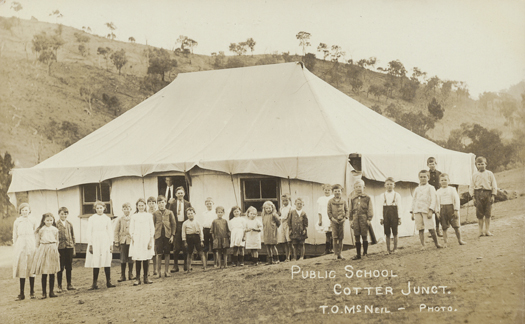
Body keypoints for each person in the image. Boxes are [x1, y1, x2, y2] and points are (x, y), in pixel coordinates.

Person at [85, 201, 116, 290]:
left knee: (107, 260)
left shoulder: (107, 218)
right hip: (95, 240)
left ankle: (108, 282)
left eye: (101, 208)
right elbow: (88, 232)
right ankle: (94, 283)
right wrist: (90, 244)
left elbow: (110, 232)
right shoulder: (92, 218)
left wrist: (111, 244)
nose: (99, 210)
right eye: (97, 208)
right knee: (96, 260)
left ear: (104, 208)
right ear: (95, 209)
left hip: (105, 240)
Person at [31, 213, 60, 299]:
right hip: (43, 248)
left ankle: (51, 291)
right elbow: (37, 242)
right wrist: (38, 251)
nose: (49, 222)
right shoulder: (41, 230)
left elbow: (57, 241)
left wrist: (55, 249)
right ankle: (44, 292)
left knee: (52, 271)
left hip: (52, 249)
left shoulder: (55, 230)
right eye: (47, 220)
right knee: (44, 271)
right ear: (44, 221)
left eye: (51, 220)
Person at [410, 170, 442, 249]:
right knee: (420, 228)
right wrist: (412, 212)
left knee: (431, 228)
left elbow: (433, 199)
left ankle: (437, 243)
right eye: (421, 177)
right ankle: (423, 245)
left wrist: (431, 210)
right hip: (417, 210)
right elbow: (414, 200)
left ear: (428, 178)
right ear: (419, 178)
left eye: (425, 177)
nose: (423, 178)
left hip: (426, 210)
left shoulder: (431, 188)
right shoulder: (417, 189)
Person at [13, 203, 36, 301]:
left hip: (30, 243)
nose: (24, 212)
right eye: (22, 210)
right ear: (20, 211)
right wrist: (16, 245)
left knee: (31, 267)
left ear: (29, 211)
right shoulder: (17, 221)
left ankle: (32, 292)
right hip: (21, 243)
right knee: (22, 267)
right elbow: (14, 235)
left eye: (26, 210)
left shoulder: (33, 220)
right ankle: (22, 293)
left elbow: (35, 231)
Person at [469, 156, 498, 237]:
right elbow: (471, 186)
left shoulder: (490, 173)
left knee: (488, 213)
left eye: (482, 164)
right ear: (476, 165)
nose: (481, 166)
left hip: (488, 194)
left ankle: (487, 230)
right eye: (479, 164)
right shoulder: (474, 175)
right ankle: (480, 231)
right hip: (478, 194)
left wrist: (493, 195)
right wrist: (473, 197)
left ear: (486, 164)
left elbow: (494, 185)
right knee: (479, 214)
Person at [436, 174, 466, 247]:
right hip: (442, 209)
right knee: (444, 227)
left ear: (448, 181)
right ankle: (445, 242)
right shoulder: (438, 191)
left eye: (445, 180)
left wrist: (456, 210)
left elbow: (456, 200)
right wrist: (437, 211)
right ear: (440, 181)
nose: (444, 182)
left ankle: (460, 240)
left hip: (451, 208)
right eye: (442, 180)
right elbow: (436, 202)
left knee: (456, 226)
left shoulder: (452, 189)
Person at [130, 198, 155, 285]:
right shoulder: (134, 216)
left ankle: (146, 278)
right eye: (139, 205)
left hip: (146, 239)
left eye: (142, 205)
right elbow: (131, 229)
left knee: (146, 258)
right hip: (137, 240)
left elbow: (152, 228)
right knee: (138, 258)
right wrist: (133, 238)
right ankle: (137, 278)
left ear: (145, 206)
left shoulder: (149, 216)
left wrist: (150, 240)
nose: (141, 207)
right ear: (137, 206)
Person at [169, 186, 192, 273]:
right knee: (176, 247)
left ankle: (186, 264)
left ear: (184, 194)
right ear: (175, 194)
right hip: (176, 226)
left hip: (185, 225)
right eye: (178, 193)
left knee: (185, 245)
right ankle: (175, 266)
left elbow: (191, 213)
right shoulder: (173, 204)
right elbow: (170, 215)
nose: (180, 195)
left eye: (181, 193)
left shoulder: (187, 203)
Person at [152, 195, 176, 278]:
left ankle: (166, 271)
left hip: (167, 235)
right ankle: (158, 272)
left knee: (167, 253)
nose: (161, 204)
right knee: (159, 254)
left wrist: (172, 235)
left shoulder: (170, 213)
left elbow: (173, 224)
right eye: (159, 203)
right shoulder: (155, 213)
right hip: (158, 235)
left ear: (165, 203)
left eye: (162, 202)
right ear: (157, 204)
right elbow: (152, 225)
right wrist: (153, 235)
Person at [350, 180, 374, 260]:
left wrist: (369, 219)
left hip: (364, 218)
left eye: (360, 187)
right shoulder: (352, 198)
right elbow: (350, 210)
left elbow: (370, 209)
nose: (358, 189)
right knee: (356, 235)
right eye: (356, 187)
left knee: (364, 235)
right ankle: (358, 254)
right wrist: (351, 220)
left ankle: (365, 253)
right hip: (355, 218)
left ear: (363, 187)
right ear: (354, 188)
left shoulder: (367, 198)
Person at [379, 178, 402, 254]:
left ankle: (395, 248)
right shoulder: (382, 195)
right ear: (385, 185)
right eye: (388, 184)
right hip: (386, 215)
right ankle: (388, 249)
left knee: (395, 232)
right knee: (387, 233)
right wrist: (381, 218)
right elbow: (380, 207)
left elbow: (399, 207)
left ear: (394, 185)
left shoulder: (397, 195)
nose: (389, 186)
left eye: (391, 184)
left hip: (394, 215)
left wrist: (399, 217)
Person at [56, 207, 76, 292]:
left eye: (65, 214)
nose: (64, 215)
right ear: (59, 214)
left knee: (69, 266)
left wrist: (73, 247)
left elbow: (72, 236)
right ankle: (59, 286)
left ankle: (69, 284)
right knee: (60, 267)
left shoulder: (69, 224)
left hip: (69, 247)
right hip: (60, 248)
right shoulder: (56, 224)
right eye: (62, 214)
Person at [182, 207, 207, 273]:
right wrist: (184, 241)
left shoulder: (198, 222)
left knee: (201, 252)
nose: (190, 215)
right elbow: (183, 233)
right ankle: (188, 268)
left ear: (194, 214)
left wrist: (202, 240)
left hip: (196, 237)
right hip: (189, 238)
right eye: (188, 214)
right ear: (186, 215)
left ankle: (204, 267)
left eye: (191, 213)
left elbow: (201, 232)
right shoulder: (185, 223)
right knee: (189, 253)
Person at [114, 203, 134, 282]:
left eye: (128, 209)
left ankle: (131, 274)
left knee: (131, 258)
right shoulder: (120, 219)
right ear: (122, 210)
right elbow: (116, 231)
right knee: (123, 258)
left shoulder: (133, 218)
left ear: (130, 209)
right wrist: (116, 241)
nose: (126, 211)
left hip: (131, 241)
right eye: (125, 209)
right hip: (122, 241)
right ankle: (122, 275)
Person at [327, 184, 348, 260]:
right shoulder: (330, 201)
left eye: (338, 191)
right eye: (335, 191)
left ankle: (340, 253)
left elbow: (347, 210)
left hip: (342, 222)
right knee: (335, 237)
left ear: (341, 192)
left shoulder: (344, 201)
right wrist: (333, 219)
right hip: (334, 222)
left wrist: (345, 218)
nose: (337, 193)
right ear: (333, 192)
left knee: (341, 238)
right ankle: (335, 254)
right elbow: (329, 212)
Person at [427, 157, 443, 237]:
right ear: (427, 165)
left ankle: (438, 230)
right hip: (430, 195)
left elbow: (441, 183)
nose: (432, 165)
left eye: (433, 164)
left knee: (437, 212)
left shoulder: (439, 173)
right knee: (430, 212)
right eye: (430, 164)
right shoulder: (427, 174)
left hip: (437, 194)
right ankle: (431, 231)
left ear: (435, 164)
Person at [316, 184, 334, 254]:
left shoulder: (333, 198)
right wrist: (320, 220)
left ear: (331, 191)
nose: (327, 191)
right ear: (323, 190)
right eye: (325, 190)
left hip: (331, 217)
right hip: (324, 217)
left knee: (332, 233)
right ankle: (327, 249)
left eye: (328, 190)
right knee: (327, 233)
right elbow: (319, 211)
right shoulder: (321, 199)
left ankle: (332, 248)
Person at [201, 197, 217, 267]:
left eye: (210, 203)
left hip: (213, 230)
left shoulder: (215, 212)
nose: (209, 205)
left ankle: (215, 263)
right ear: (205, 205)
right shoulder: (204, 213)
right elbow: (202, 223)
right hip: (205, 230)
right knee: (205, 247)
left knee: (214, 247)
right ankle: (205, 264)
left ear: (213, 204)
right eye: (207, 204)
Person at [277, 194, 293, 262]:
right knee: (284, 242)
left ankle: (292, 256)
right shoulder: (281, 208)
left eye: (286, 200)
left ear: (289, 200)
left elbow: (289, 217)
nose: (285, 202)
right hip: (282, 224)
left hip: (288, 225)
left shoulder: (291, 208)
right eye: (283, 201)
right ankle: (287, 257)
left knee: (289, 241)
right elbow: (279, 215)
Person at [146, 196, 158, 276]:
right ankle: (147, 270)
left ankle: (155, 269)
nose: (151, 205)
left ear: (155, 204)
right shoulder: (145, 213)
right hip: (147, 234)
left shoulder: (157, 213)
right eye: (149, 203)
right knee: (147, 252)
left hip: (155, 234)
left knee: (155, 252)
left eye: (153, 203)